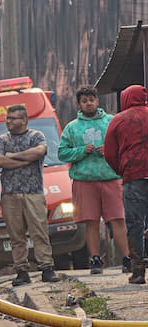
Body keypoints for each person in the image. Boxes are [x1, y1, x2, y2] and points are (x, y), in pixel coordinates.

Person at [58, 86, 130, 275]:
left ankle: (127, 258)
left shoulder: (112, 121)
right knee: (91, 221)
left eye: (91, 99)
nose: (88, 103)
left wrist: (109, 150)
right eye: (84, 100)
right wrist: (81, 151)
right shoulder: (72, 127)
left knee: (118, 219)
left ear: (98, 101)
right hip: (84, 180)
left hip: (111, 177)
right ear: (79, 104)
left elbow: (125, 146)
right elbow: (62, 153)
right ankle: (95, 260)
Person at [0, 104, 60, 286]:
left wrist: (13, 156)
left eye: (12, 118)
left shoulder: (36, 136)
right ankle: (21, 271)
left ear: (24, 120)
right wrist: (25, 159)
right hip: (10, 195)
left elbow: (39, 151)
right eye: (7, 118)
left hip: (34, 193)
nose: (8, 121)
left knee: (39, 232)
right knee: (16, 236)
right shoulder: (2, 140)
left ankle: (47, 268)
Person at [104, 84, 148, 285]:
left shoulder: (118, 120)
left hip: (134, 177)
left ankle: (138, 272)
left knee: (135, 225)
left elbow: (109, 153)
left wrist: (121, 170)